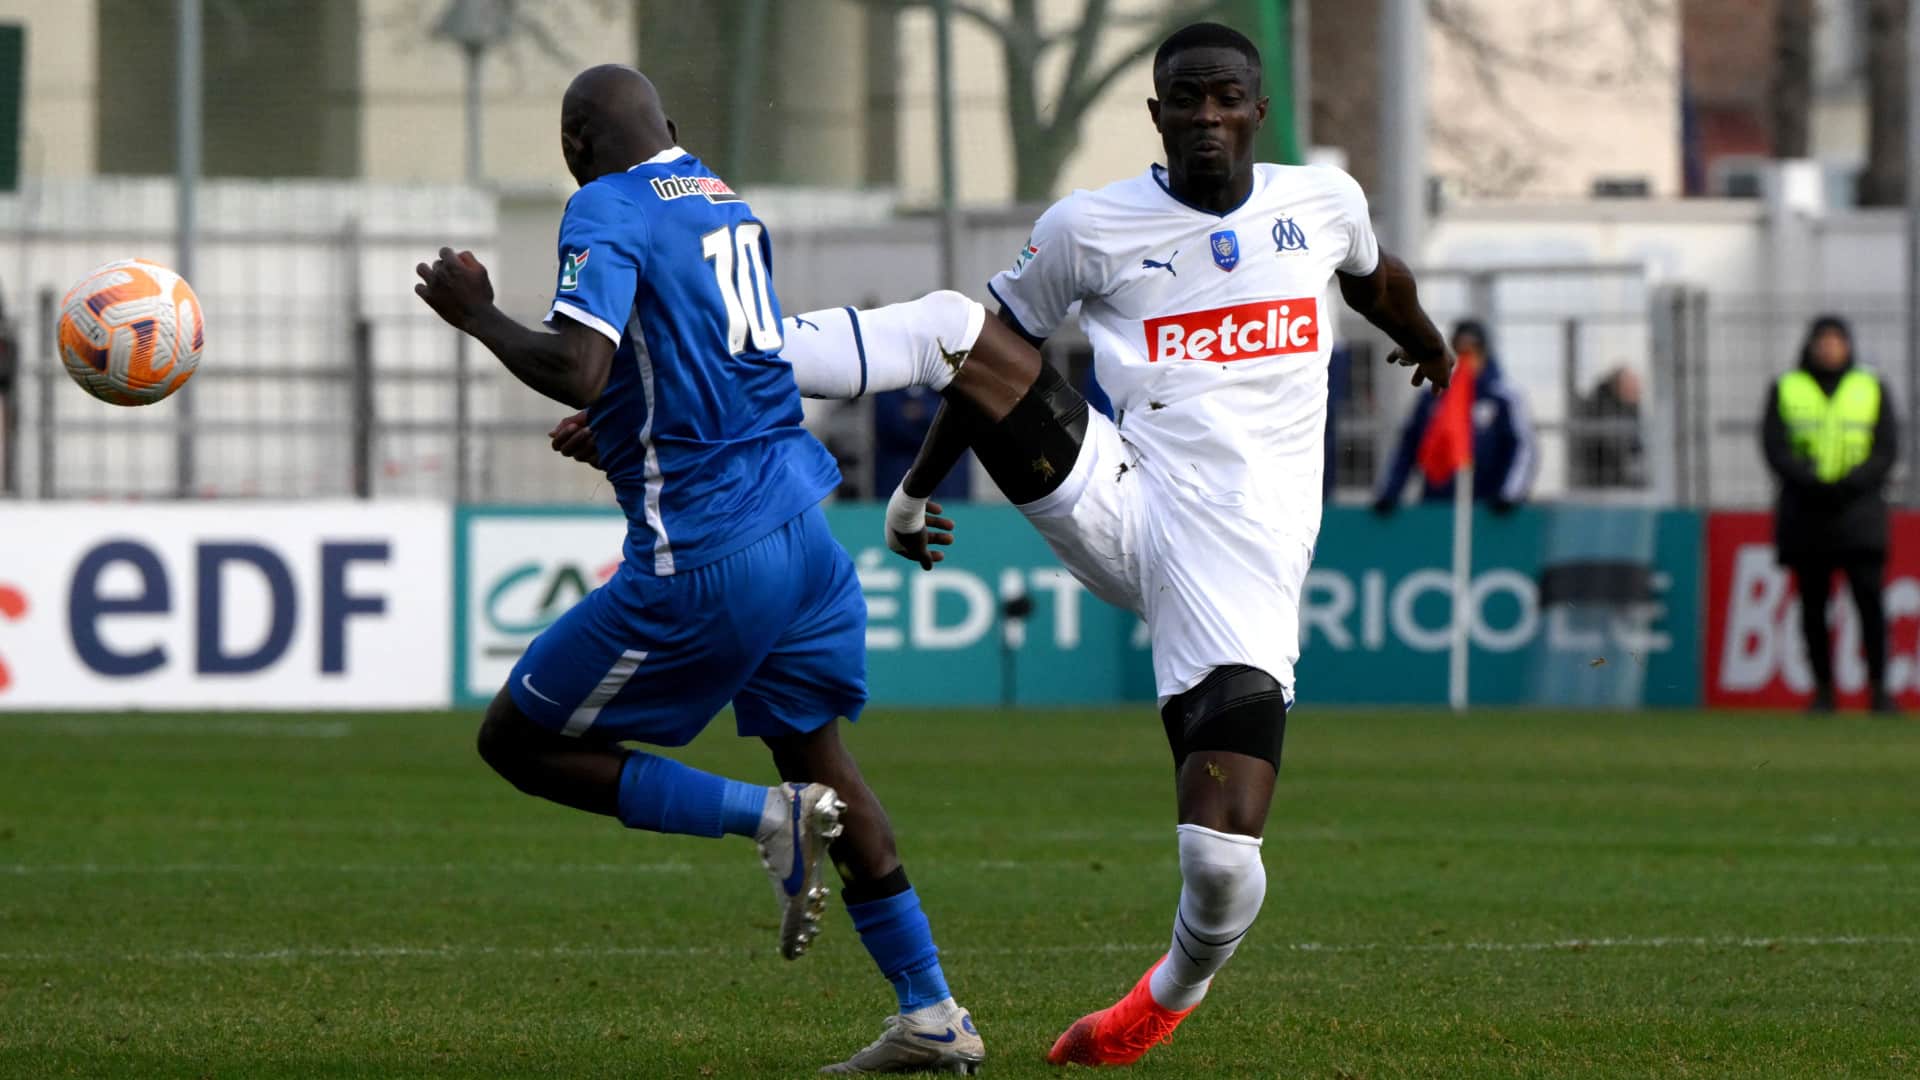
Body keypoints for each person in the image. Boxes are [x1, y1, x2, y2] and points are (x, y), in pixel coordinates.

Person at [554, 23, 1451, 1066]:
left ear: (1256, 109)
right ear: (1156, 113)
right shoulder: (1088, 226)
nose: (1207, 116)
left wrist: (1426, 343)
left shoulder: (1323, 204)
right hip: (1123, 492)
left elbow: (1377, 281)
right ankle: (717, 375)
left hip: (1241, 557)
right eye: (1186, 98)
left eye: (1225, 98)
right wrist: (914, 490)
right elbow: (991, 354)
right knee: (951, 324)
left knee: (1218, 862)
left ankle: (1170, 991)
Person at [414, 65, 984, 1075]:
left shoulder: (605, 203)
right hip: (804, 537)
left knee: (517, 740)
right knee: (822, 762)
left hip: (709, 555)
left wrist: (478, 314)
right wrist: (621, 424)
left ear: (574, 146)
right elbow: (718, 368)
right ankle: (931, 1009)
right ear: (669, 127)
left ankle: (764, 820)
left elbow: (575, 364)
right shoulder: (724, 200)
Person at [1761, 314, 1901, 714]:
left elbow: (1886, 448)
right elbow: (1774, 446)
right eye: (1822, 340)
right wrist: (1811, 482)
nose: (1829, 348)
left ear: (1848, 345)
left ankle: (1879, 690)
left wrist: (1850, 484)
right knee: (1812, 607)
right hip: (1806, 513)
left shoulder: (1870, 386)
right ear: (1810, 345)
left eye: (1836, 340)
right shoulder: (1787, 386)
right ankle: (1823, 691)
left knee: (1869, 604)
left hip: (1860, 513)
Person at [1371, 318, 1535, 514]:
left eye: (1473, 350)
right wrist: (1390, 492)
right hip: (1437, 505)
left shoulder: (1504, 396)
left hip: (1488, 510)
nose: (1467, 359)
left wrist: (1509, 495)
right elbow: (1409, 446)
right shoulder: (1434, 396)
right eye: (1461, 350)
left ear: (1483, 350)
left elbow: (1522, 447)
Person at [1571, 365, 1647, 489]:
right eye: (1633, 385)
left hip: (1616, 480)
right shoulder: (1602, 409)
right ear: (1620, 386)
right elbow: (1617, 450)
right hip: (1600, 483)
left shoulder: (1630, 408)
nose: (1639, 390)